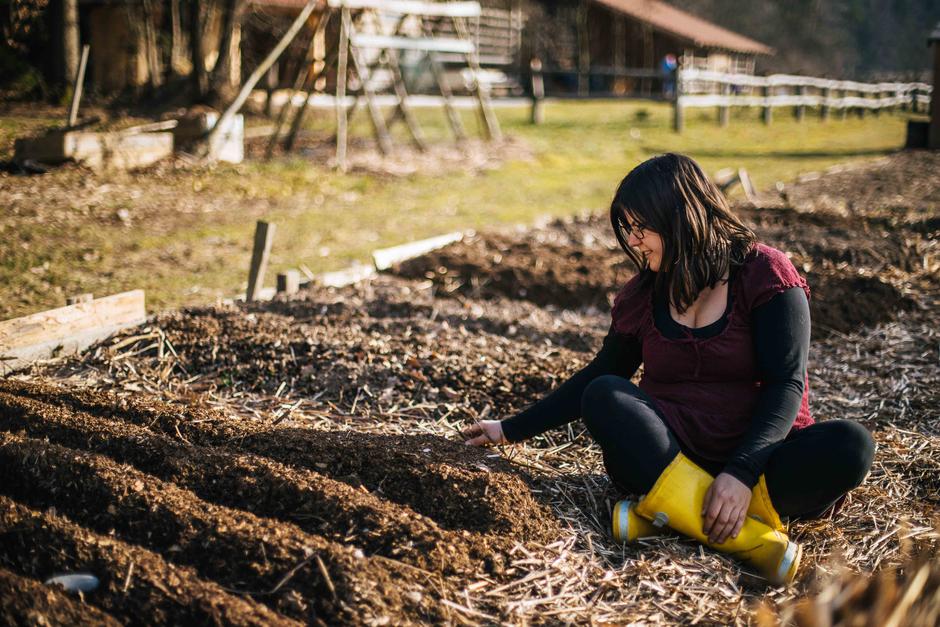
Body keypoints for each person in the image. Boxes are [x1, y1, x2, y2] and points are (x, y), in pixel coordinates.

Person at [463, 153, 875, 584]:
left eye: (641, 228)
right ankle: (749, 539)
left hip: (763, 461)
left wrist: (739, 472)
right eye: (628, 230)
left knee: (851, 445)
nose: (634, 241)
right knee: (604, 394)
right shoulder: (642, 294)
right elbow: (599, 375)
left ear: (681, 217)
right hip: (669, 456)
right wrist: (509, 429)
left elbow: (785, 385)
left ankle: (666, 516)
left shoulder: (764, 273)